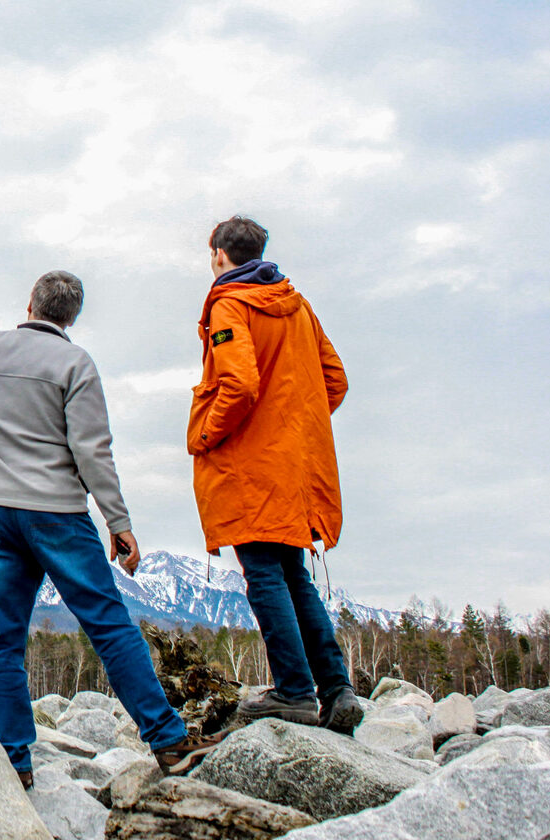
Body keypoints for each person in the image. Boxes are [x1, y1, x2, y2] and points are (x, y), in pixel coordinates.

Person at [0, 271, 218, 789]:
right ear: (71, 318)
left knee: (5, 639)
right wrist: (119, 522)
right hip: (57, 514)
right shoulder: (76, 363)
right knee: (109, 626)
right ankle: (168, 741)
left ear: (29, 304)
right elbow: (93, 451)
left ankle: (15, 762)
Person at [189, 216, 362, 734]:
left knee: (263, 573)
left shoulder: (229, 304)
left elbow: (239, 384)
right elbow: (335, 380)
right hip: (295, 466)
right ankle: (336, 690)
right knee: (293, 574)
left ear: (219, 254)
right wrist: (293, 426)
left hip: (252, 467)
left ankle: (292, 691)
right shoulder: (297, 304)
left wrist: (207, 435)